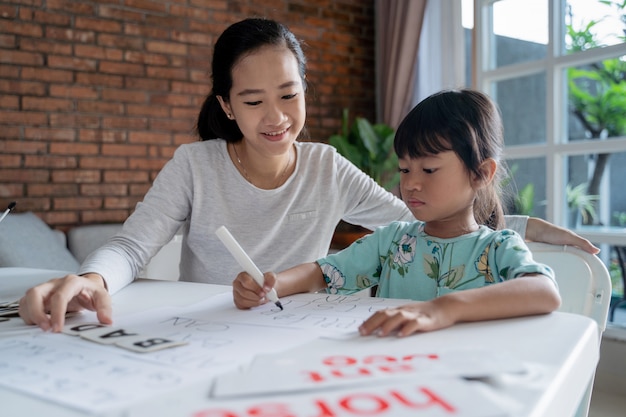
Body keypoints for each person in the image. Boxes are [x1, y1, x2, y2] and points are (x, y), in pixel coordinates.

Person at [19, 18, 591, 333]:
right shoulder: (195, 165)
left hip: (297, 334)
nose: (276, 118)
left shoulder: (325, 167)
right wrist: (92, 280)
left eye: (289, 94)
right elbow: (132, 246)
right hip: (205, 328)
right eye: (253, 100)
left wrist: (523, 223)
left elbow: (427, 217)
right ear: (226, 105)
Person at [233, 89, 562, 337]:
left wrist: (445, 309)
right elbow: (321, 272)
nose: (411, 184)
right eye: (405, 169)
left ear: (480, 174)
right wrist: (271, 284)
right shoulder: (392, 242)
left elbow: (545, 292)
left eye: (429, 170)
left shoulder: (498, 247)